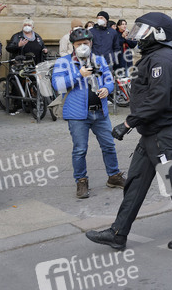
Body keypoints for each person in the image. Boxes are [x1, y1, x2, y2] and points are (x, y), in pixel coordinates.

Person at [86, 12, 172, 250]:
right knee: (135, 184)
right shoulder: (159, 55)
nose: (140, 37)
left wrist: (128, 124)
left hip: (163, 133)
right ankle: (118, 233)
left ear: (159, 34)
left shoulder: (163, 58)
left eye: (145, 32)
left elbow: (157, 99)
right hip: (152, 132)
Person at [51, 28, 125, 199]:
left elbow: (109, 79)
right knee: (80, 150)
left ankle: (114, 176)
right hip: (77, 115)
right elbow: (58, 85)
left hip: (100, 112)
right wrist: (79, 74)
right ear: (73, 45)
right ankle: (81, 181)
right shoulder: (63, 62)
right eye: (79, 44)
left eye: (85, 43)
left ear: (91, 43)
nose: (83, 46)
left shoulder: (99, 60)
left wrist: (107, 88)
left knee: (109, 145)